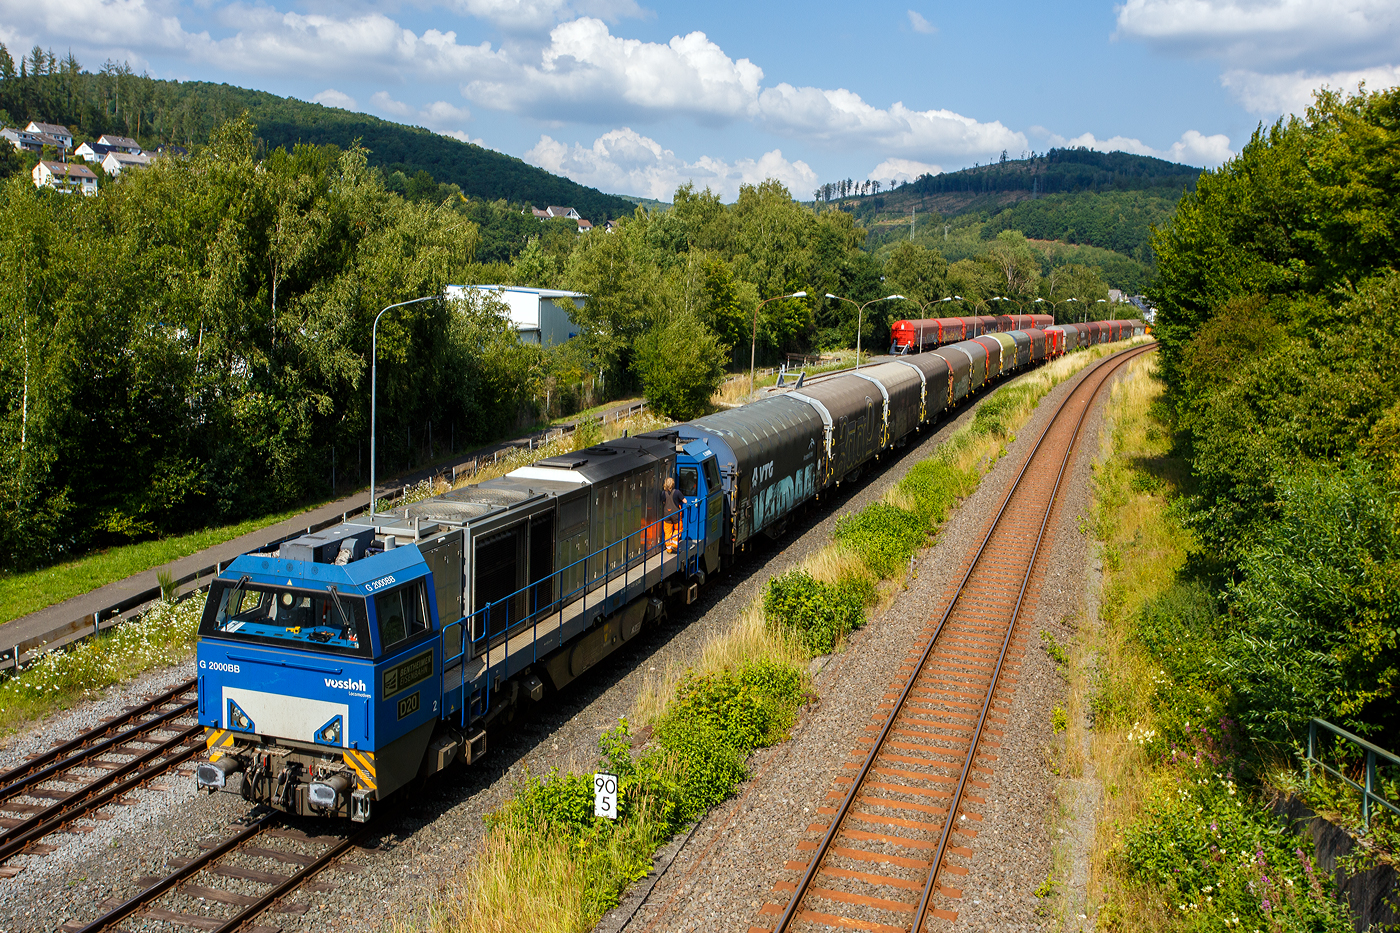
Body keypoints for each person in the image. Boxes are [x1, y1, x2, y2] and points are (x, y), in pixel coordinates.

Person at [663, 476, 682, 552]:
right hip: (675, 514)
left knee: (667, 531)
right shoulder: (677, 492)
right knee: (678, 528)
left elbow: (663, 501)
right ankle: (674, 543)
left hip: (666, 514)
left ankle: (668, 548)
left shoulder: (663, 493)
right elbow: (684, 500)